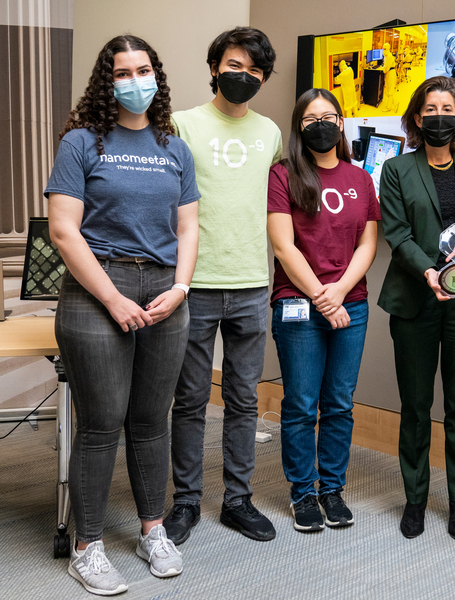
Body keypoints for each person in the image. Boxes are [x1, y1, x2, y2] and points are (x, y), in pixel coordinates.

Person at [46, 34, 199, 595]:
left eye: (144, 70)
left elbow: (187, 226)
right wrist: (112, 298)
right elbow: (64, 230)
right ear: (106, 82)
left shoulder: (173, 147)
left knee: (149, 421)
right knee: (101, 423)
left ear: (156, 76)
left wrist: (181, 287)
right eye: (123, 72)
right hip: (96, 290)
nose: (136, 81)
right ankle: (87, 547)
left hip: (164, 291)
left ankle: (152, 530)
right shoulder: (83, 142)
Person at [164, 27, 282, 546]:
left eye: (254, 71)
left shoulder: (272, 132)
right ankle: (186, 501)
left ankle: (237, 499)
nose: (243, 76)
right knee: (189, 399)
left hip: (253, 282)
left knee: (242, 399)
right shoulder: (180, 125)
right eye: (234, 66)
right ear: (214, 67)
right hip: (194, 284)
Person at [378, 75, 455, 541]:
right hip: (415, 299)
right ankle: (414, 499)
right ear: (416, 118)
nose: (438, 118)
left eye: (447, 110)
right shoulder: (396, 169)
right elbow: (397, 232)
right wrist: (430, 273)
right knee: (415, 405)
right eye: (430, 110)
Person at [267, 88, 380, 532]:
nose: (322, 124)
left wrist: (340, 292)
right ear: (299, 126)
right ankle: (303, 494)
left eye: (330, 116)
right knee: (300, 403)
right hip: (297, 303)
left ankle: (331, 489)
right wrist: (320, 296)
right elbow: (283, 245)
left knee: (339, 403)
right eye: (312, 118)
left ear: (341, 123)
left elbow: (368, 243)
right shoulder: (284, 174)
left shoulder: (359, 178)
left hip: (350, 305)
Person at [381, 43, 399, 113]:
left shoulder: (389, 56)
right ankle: (395, 103)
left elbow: (386, 69)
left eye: (384, 48)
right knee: (387, 91)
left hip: (391, 73)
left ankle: (389, 107)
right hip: (389, 74)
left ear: (387, 48)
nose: (383, 50)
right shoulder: (386, 56)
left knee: (390, 91)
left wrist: (382, 69)